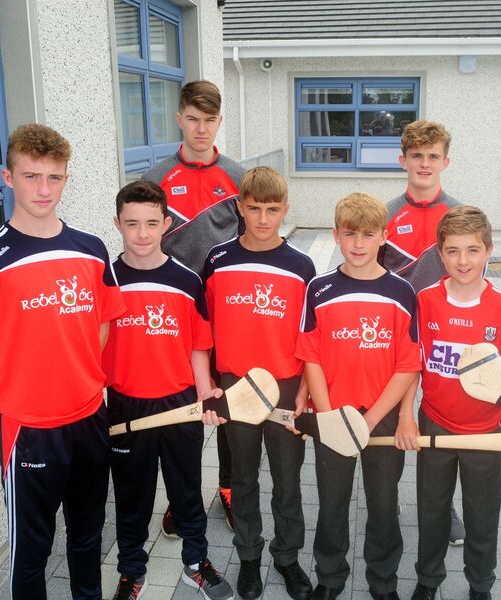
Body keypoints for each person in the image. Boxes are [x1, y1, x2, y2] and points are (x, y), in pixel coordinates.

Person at [0, 124, 125, 599]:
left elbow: (103, 323)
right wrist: (6, 409)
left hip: (90, 418)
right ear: (8, 178)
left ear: (66, 178)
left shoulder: (91, 249)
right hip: (29, 430)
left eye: (54, 177)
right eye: (31, 177)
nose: (44, 190)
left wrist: (82, 377)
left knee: (88, 536)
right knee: (31, 552)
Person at [103, 180, 232, 600]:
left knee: (186, 490)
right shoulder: (105, 279)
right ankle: (131, 572)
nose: (142, 233)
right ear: (117, 224)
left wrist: (205, 393)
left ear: (167, 224)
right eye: (132, 224)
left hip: (179, 405)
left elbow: (198, 346)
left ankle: (196, 564)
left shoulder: (186, 280)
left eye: (151, 223)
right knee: (132, 496)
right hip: (126, 407)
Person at [396, 206, 501, 600]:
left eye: (473, 250)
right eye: (453, 251)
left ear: (489, 251)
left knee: (482, 514)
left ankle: (480, 585)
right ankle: (428, 580)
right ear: (440, 254)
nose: (463, 261)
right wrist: (406, 417)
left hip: (485, 433)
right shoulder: (425, 301)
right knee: (432, 511)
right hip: (435, 424)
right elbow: (413, 366)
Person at [296, 193, 421, 600]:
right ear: (336, 235)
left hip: (380, 418)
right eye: (350, 234)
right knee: (332, 503)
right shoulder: (319, 289)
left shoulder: (402, 292)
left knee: (383, 504)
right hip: (333, 415)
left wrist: (368, 421)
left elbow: (408, 365)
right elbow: (311, 357)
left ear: (384, 236)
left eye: (368, 234)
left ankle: (383, 581)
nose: (359, 243)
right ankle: (330, 577)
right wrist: (329, 417)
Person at [202, 166, 316, 600]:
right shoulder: (218, 260)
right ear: (239, 207)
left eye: (272, 209)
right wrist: (211, 386)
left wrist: (305, 392)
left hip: (285, 386)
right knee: (244, 478)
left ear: (285, 209)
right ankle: (249, 556)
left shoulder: (301, 266)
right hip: (236, 386)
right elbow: (205, 331)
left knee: (287, 482)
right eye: (254, 209)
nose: (263, 219)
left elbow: (310, 337)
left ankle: (286, 557)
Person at [143, 79, 245, 535]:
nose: (200, 129)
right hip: (176, 316)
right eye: (192, 119)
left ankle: (229, 487)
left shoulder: (238, 177)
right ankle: (181, 498)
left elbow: (250, 243)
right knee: (181, 409)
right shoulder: (157, 177)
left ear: (219, 121)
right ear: (179, 119)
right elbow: (144, 243)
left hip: (226, 315)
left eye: (209, 120)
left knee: (226, 404)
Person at [380, 119, 466, 543]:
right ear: (403, 160)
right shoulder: (385, 214)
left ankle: (442, 506)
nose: (425, 163)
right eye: (417, 156)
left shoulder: (461, 215)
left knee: (441, 423)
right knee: (395, 419)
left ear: (446, 161)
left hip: (444, 337)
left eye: (433, 156)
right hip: (395, 338)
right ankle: (387, 496)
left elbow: (474, 276)